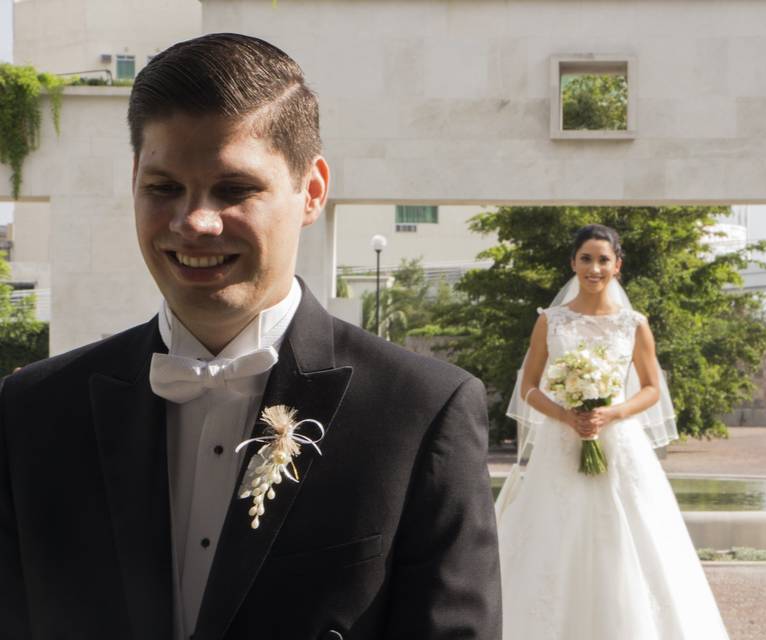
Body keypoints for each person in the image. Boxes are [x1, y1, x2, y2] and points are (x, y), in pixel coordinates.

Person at [0, 34, 501, 640]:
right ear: (134, 179)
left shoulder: (420, 411)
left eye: (234, 189)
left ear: (311, 190)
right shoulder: (32, 409)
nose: (194, 222)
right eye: (164, 188)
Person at [495, 224, 729, 639]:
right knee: (553, 535)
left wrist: (613, 413)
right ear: (573, 263)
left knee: (628, 537)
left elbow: (653, 388)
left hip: (619, 444)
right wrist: (565, 414)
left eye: (604, 259)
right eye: (586, 258)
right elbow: (527, 386)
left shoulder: (634, 324)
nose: (594, 268)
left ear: (617, 266)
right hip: (561, 446)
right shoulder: (550, 321)